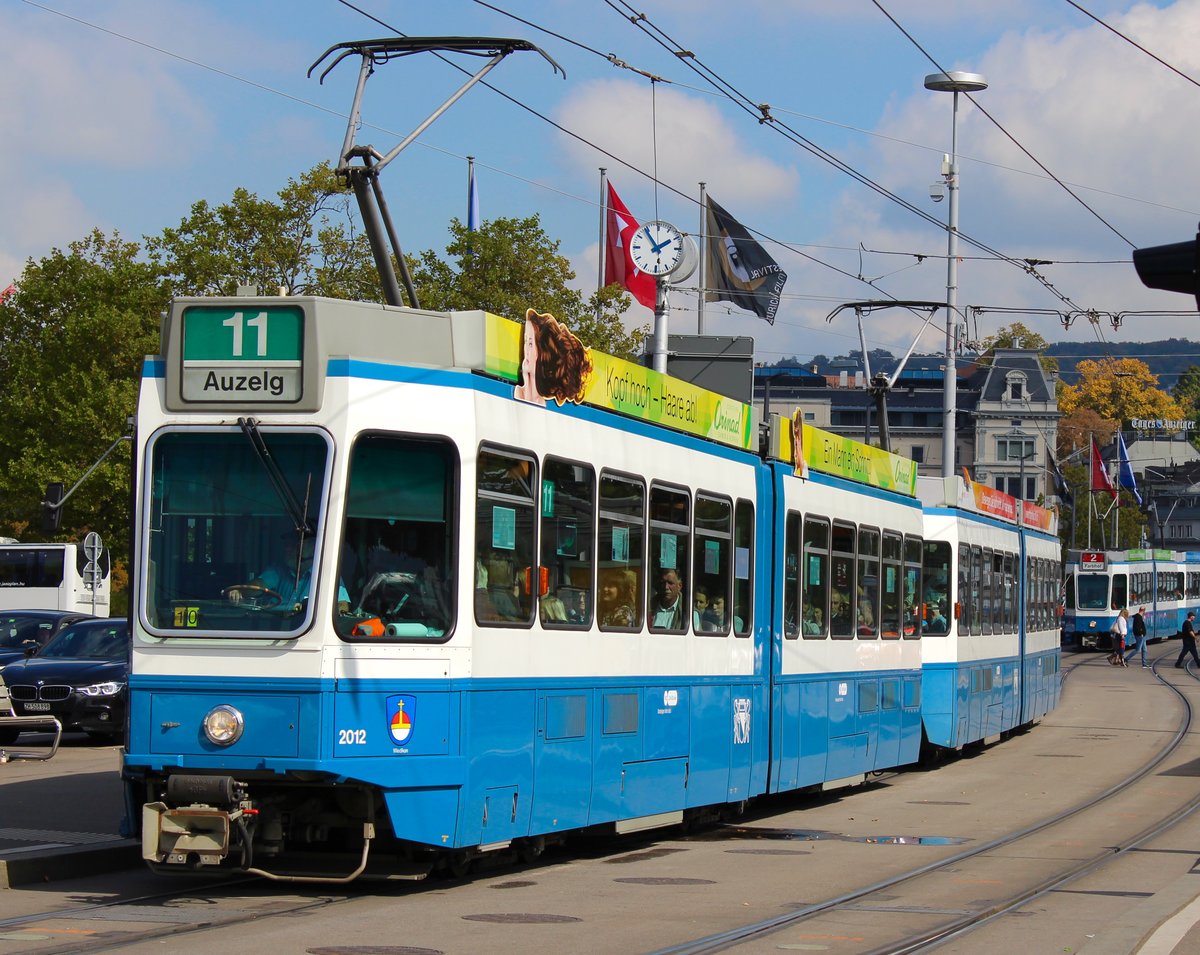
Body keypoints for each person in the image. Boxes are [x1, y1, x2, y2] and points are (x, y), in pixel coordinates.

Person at [229, 534, 349, 613]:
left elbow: (343, 608)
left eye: (295, 546)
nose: (287, 550)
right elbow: (259, 585)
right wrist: (240, 591)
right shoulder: (278, 570)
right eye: (287, 545)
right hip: (277, 630)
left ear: (313, 549)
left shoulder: (328, 575)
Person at [513, 308, 592, 407]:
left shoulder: (544, 405)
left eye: (530, 344)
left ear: (544, 355)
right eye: (525, 342)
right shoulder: (515, 393)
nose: (526, 351)